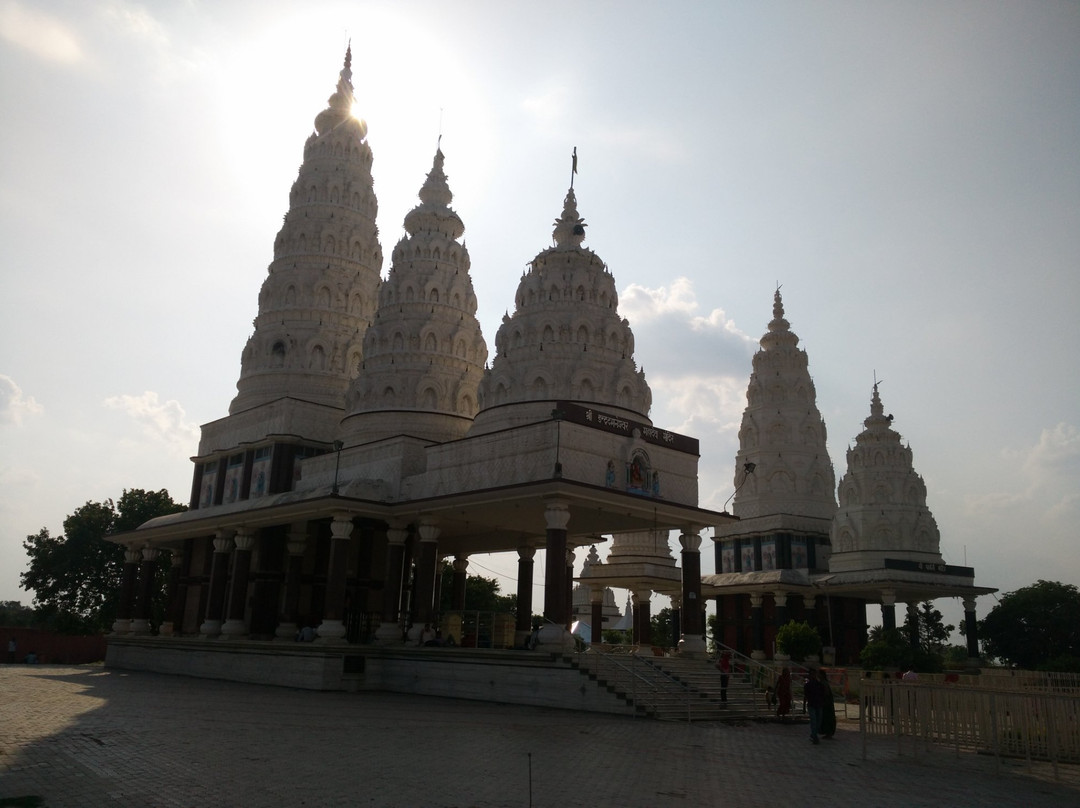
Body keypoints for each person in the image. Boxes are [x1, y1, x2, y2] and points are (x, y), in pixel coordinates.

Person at [804, 667, 826, 744]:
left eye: (814, 674)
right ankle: (814, 736)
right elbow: (806, 696)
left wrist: (823, 702)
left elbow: (823, 693)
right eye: (812, 674)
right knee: (813, 721)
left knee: (819, 721)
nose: (813, 675)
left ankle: (813, 734)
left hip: (819, 704)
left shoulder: (819, 684)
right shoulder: (807, 685)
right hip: (811, 704)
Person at [819, 670, 837, 739]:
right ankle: (827, 733)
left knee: (827, 717)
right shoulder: (822, 682)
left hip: (826, 703)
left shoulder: (824, 683)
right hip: (826, 702)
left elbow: (826, 693)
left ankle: (829, 733)